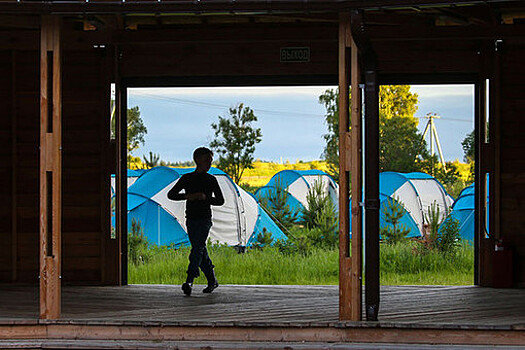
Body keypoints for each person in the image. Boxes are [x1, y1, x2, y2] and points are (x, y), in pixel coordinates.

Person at [167, 147, 225, 296]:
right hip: (191, 218)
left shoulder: (211, 180)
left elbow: (220, 200)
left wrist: (206, 198)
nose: (209, 163)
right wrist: (188, 196)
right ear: (197, 160)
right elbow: (171, 195)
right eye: (207, 160)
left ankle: (189, 280)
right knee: (200, 249)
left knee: (197, 248)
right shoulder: (187, 178)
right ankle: (212, 280)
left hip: (205, 219)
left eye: (210, 161)